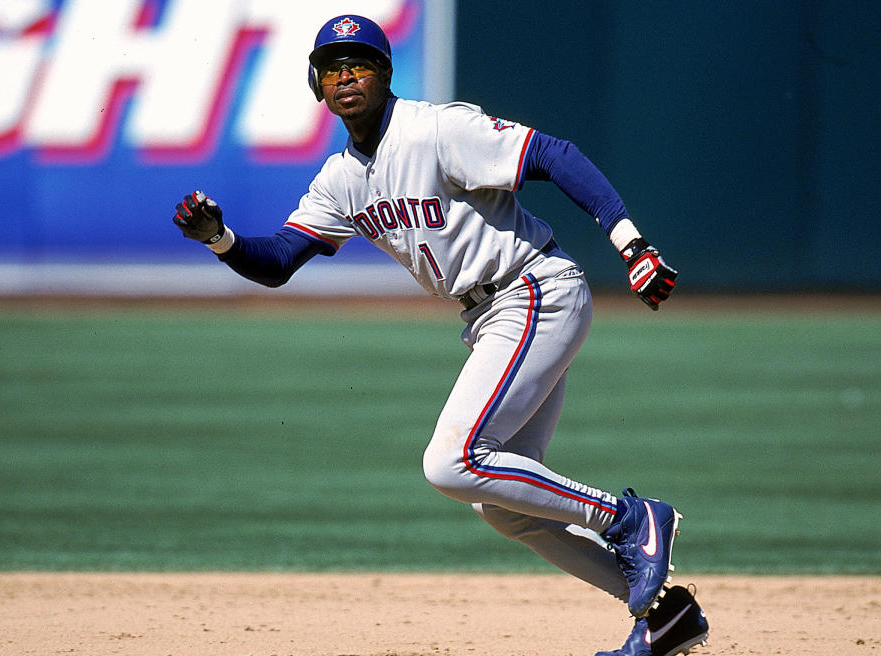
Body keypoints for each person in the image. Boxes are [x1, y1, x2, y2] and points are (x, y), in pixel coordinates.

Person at [172, 14, 709, 656]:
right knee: (507, 509)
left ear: (386, 73)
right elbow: (281, 259)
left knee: (451, 461)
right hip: (492, 315)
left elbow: (552, 155)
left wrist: (630, 243)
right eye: (333, 67)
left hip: (532, 289)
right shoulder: (342, 178)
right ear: (317, 86)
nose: (347, 76)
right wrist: (219, 239)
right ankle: (665, 616)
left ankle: (628, 518)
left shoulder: (436, 128)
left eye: (361, 63)